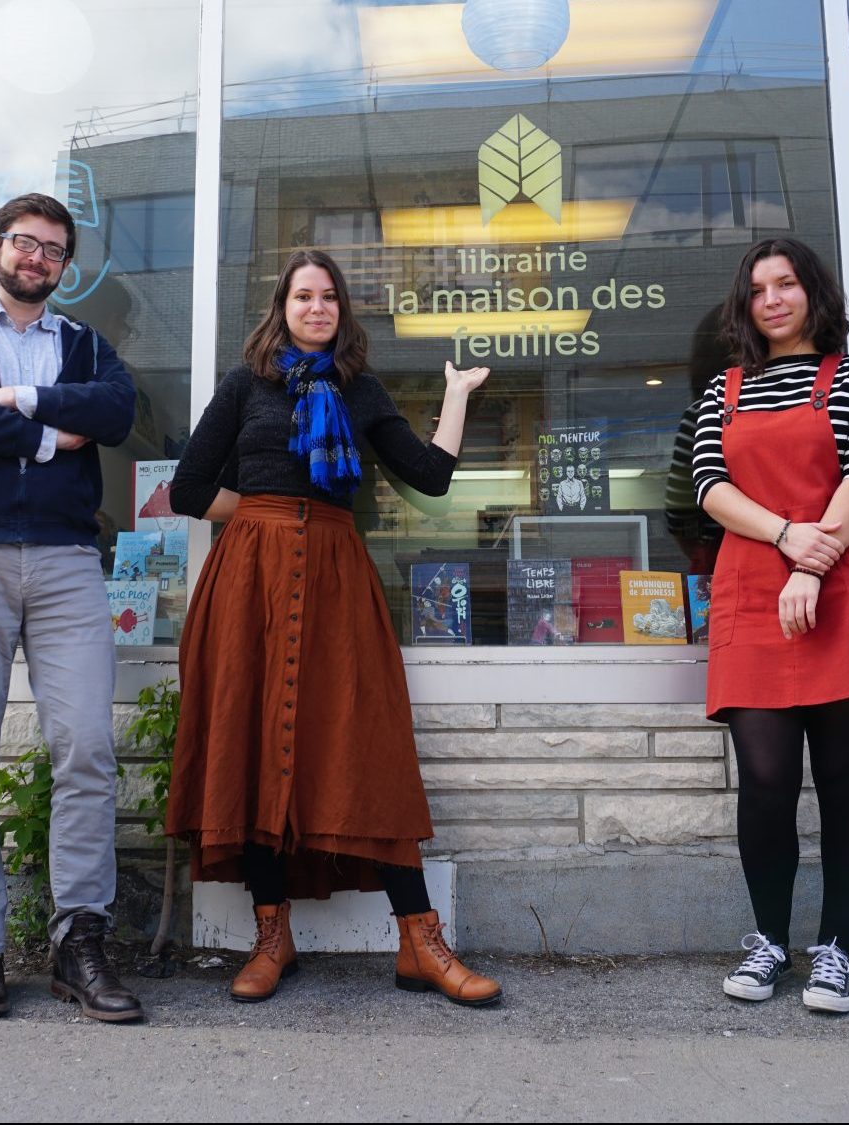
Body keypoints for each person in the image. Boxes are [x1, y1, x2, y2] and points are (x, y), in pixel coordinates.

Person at [166, 249, 502, 1007]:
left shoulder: (361, 388)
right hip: (249, 582)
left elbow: (430, 477)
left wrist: (455, 396)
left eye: (328, 297)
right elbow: (188, 488)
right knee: (253, 743)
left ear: (342, 310)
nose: (316, 307)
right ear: (282, 306)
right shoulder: (245, 384)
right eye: (303, 296)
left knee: (366, 745)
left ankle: (420, 940)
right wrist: (264, 518)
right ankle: (271, 937)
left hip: (335, 580)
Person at [0, 192, 140, 1022]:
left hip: (67, 559)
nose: (36, 258)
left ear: (65, 265)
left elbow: (116, 411)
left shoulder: (85, 344)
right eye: (24, 242)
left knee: (87, 749)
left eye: (53, 249)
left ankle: (79, 943)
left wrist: (19, 400)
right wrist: (49, 434)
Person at [692, 236, 849, 1014]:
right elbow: (710, 487)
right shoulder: (725, 389)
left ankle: (836, 948)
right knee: (766, 779)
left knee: (846, 777)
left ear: (813, 292)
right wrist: (787, 539)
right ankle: (770, 942)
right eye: (758, 290)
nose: (773, 300)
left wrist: (813, 567)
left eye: (786, 283)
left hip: (841, 590)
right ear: (744, 306)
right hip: (753, 593)